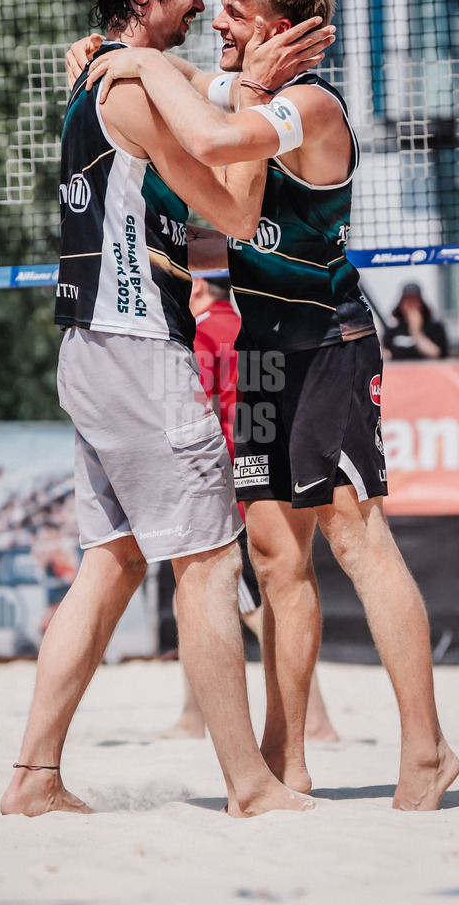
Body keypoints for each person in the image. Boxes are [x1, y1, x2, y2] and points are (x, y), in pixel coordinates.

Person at [75, 0, 459, 810]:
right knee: (274, 559)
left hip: (326, 342)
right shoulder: (236, 86)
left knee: (357, 540)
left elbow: (214, 138)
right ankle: (287, 759)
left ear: (278, 27)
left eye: (235, 12)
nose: (216, 20)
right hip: (261, 352)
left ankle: (428, 751)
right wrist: (110, 57)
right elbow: (186, 91)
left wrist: (136, 61)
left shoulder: (309, 104)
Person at [0, 0, 332, 820]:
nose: (201, 5)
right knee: (210, 562)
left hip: (89, 345)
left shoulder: (103, 75)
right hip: (138, 347)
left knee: (110, 563)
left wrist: (206, 75)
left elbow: (195, 93)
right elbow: (234, 207)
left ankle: (33, 777)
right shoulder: (133, 91)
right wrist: (255, 95)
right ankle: (250, 786)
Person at [161, 273, 339, 743]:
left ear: (199, 287)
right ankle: (192, 716)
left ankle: (317, 719)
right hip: (259, 471)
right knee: (203, 601)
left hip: (219, 481)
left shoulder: (200, 333)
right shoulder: (247, 328)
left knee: (249, 608)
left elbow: (191, 412)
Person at [382, 282, 448, 360]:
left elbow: (436, 354)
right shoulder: (392, 330)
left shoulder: (435, 328)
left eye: (414, 300)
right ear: (401, 304)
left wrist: (416, 331)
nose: (410, 304)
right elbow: (386, 355)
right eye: (407, 300)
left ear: (421, 303)